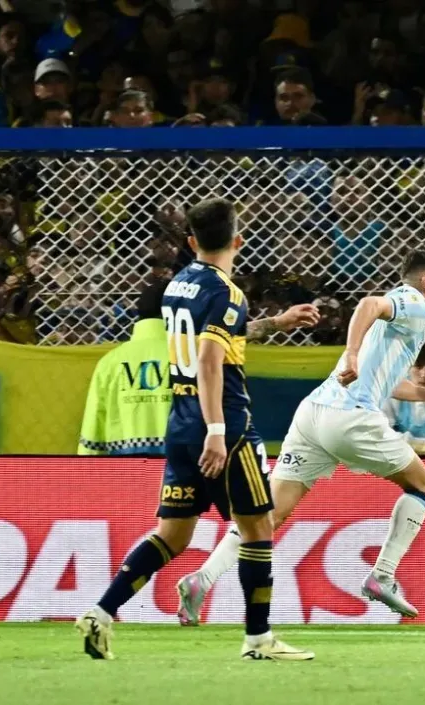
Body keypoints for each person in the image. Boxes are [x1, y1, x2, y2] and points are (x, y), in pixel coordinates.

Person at [74, 198, 318, 662]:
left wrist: (278, 322)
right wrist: (217, 430)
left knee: (173, 533)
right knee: (258, 528)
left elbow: (222, 337)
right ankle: (258, 639)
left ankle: (101, 612)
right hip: (222, 426)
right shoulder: (227, 292)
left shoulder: (177, 286)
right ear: (238, 240)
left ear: (191, 242)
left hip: (180, 423)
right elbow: (209, 358)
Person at [175, 251, 425, 625]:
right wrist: (351, 352)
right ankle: (383, 574)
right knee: (423, 484)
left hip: (314, 415)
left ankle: (202, 579)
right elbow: (369, 303)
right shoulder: (416, 303)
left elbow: (383, 379)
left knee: (270, 513)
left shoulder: (403, 322)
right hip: (350, 419)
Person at [77, 281, 171, 457]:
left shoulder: (110, 362)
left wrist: (86, 472)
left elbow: (94, 424)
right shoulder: (194, 358)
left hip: (125, 472)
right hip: (184, 471)